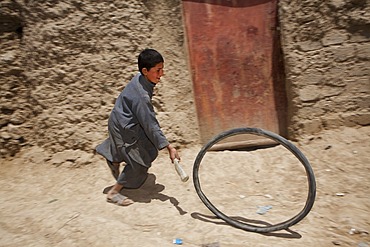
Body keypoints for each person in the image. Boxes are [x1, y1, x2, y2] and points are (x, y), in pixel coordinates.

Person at [95, 48, 180, 206]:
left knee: (149, 148)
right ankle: (114, 192)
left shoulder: (141, 78)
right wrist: (169, 147)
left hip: (121, 120)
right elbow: (150, 124)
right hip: (124, 128)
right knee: (140, 162)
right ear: (145, 70)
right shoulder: (141, 95)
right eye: (158, 70)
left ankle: (113, 158)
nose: (161, 74)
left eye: (162, 69)